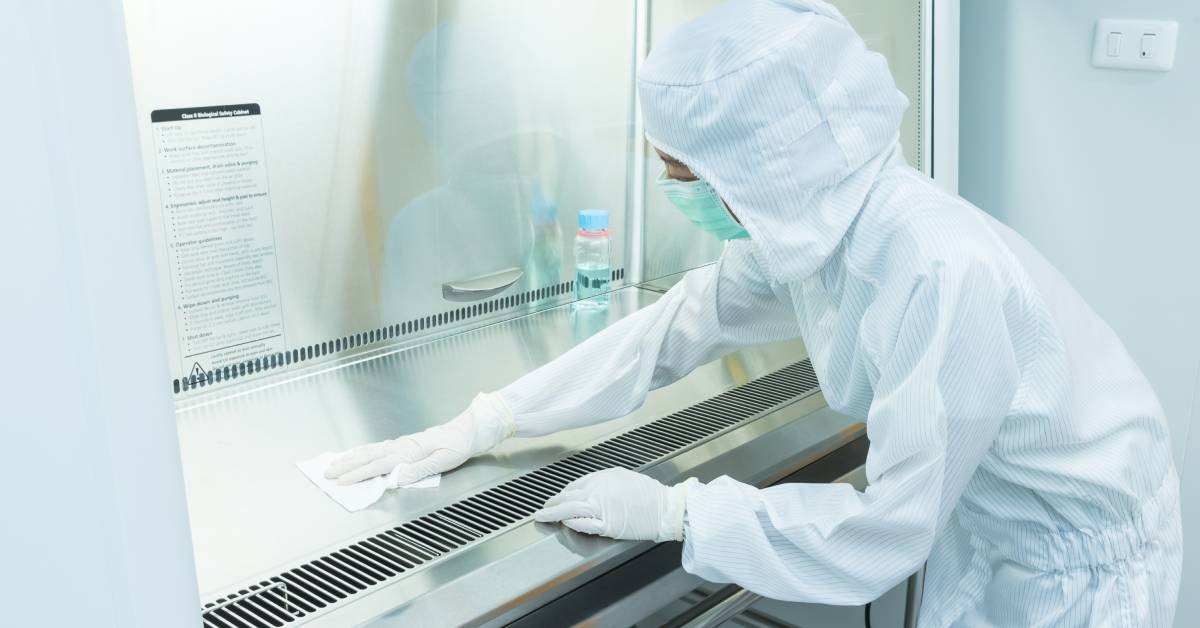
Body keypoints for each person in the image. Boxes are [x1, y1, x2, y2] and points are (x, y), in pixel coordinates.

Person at [326, 1, 1183, 625]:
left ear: (763, 164)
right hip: (992, 532)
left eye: (682, 169)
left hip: (1076, 571)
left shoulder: (934, 268)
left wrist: (680, 514)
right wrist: (492, 419)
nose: (670, 187)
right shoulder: (820, 229)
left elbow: (885, 534)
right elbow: (677, 326)